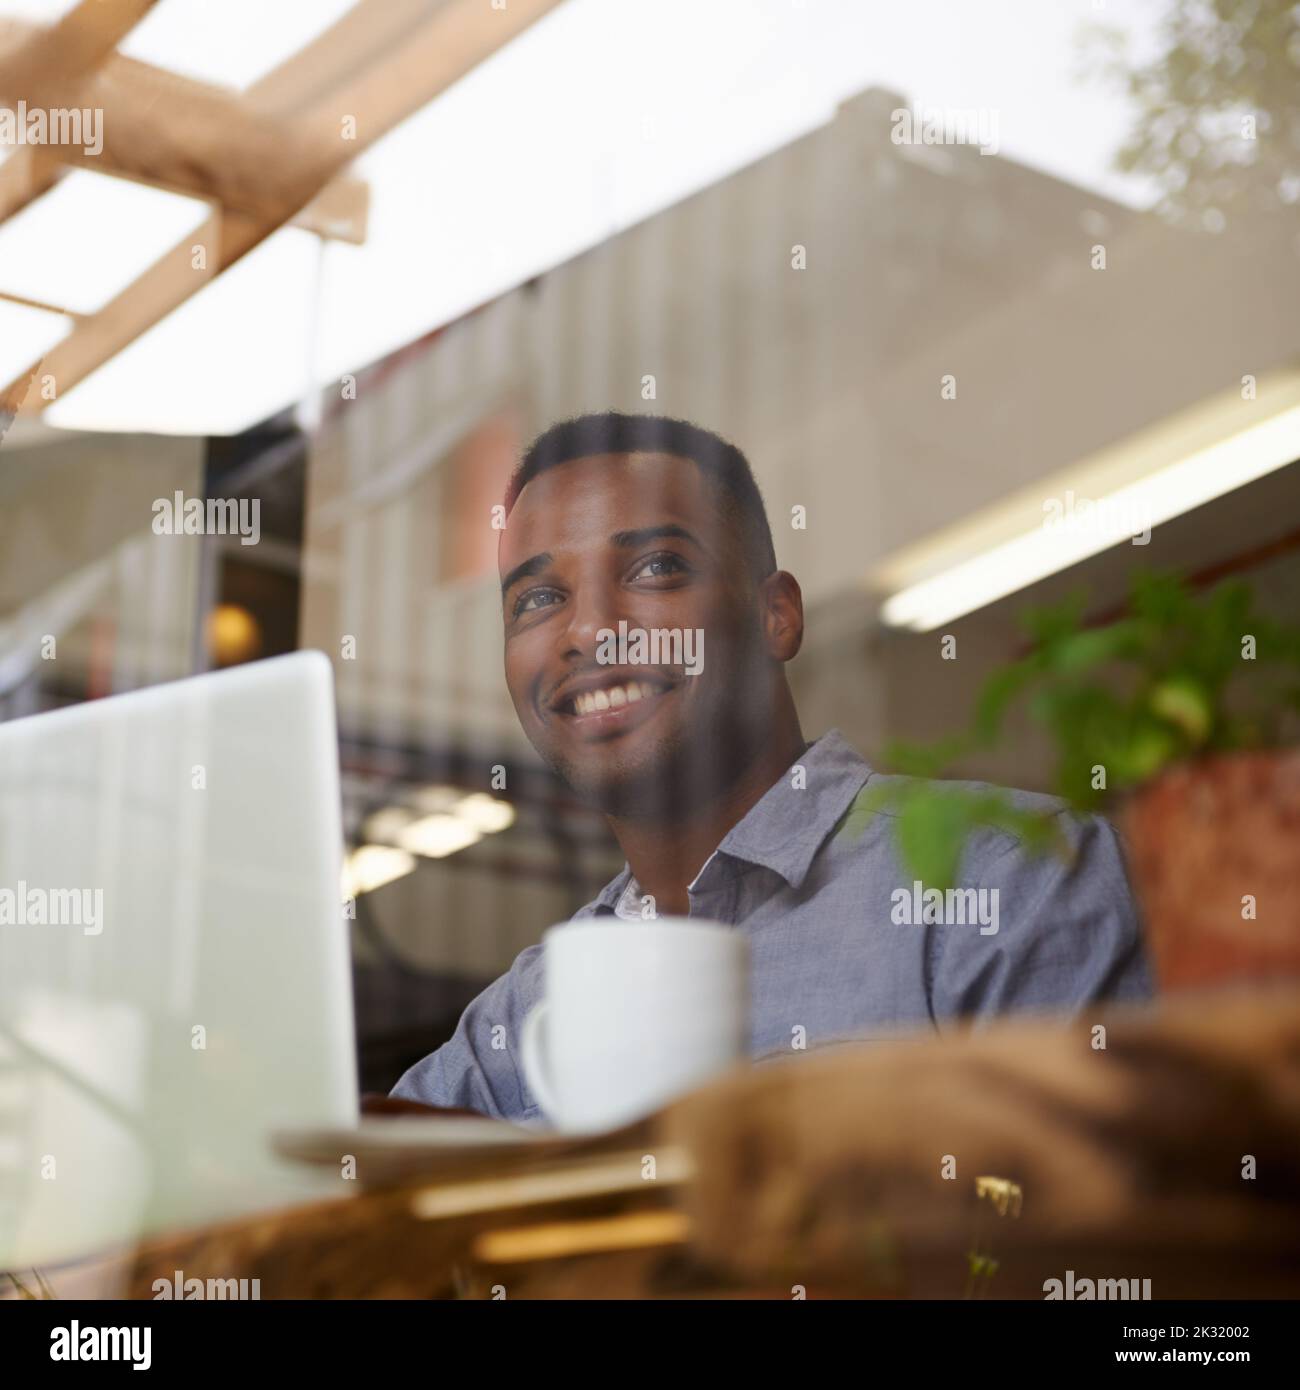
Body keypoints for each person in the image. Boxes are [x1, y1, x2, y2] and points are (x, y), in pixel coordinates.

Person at [389, 412, 1152, 1120]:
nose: (589, 630)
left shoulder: (1013, 883)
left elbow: (1097, 1223)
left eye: (654, 567)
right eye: (539, 598)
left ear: (775, 617)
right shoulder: (518, 1021)